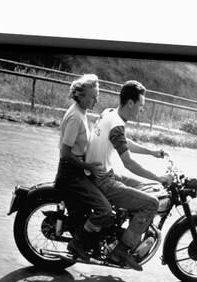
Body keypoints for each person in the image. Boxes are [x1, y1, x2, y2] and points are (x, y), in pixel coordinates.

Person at [85, 80, 171, 271]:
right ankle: (122, 250)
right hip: (103, 180)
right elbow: (129, 163)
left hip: (103, 173)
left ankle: (124, 230)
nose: (142, 110)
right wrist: (159, 178)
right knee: (151, 203)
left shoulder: (109, 113)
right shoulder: (116, 123)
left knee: (145, 189)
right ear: (130, 103)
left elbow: (124, 141)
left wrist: (152, 153)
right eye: (141, 105)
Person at [54, 74, 114, 261]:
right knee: (104, 210)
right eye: (92, 96)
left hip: (78, 171)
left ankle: (95, 245)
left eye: (97, 95)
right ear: (80, 96)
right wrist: (88, 165)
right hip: (71, 174)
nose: (96, 99)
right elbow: (65, 153)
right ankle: (78, 243)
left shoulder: (81, 112)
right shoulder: (75, 117)